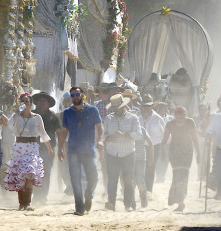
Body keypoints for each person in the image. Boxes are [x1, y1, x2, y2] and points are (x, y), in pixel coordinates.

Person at [58, 86, 104, 216]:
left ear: (82, 95)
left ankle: (89, 195)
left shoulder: (93, 110)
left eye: (77, 94)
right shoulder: (67, 112)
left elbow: (100, 127)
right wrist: (60, 148)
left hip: (89, 150)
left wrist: (100, 140)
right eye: (72, 95)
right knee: (75, 180)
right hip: (73, 150)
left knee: (93, 177)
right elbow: (64, 132)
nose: (75, 97)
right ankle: (79, 207)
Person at [4, 92, 53, 211]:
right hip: (19, 147)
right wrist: (16, 113)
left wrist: (49, 148)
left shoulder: (37, 117)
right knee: (20, 175)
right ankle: (21, 203)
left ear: (31, 104)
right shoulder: (16, 116)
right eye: (23, 101)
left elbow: (43, 133)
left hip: (32, 147)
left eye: (27, 101)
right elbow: (9, 125)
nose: (25, 104)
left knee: (30, 173)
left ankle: (28, 203)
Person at [103, 93, 141, 212]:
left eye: (119, 108)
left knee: (128, 179)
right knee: (112, 179)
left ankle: (128, 204)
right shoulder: (108, 118)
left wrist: (126, 135)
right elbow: (102, 135)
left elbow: (139, 135)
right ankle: (111, 203)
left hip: (128, 153)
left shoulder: (133, 118)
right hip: (112, 153)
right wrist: (107, 138)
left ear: (124, 106)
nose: (117, 110)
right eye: (115, 108)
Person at [160, 106, 200, 212]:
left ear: (185, 116)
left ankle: (180, 201)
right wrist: (162, 152)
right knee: (177, 175)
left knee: (184, 175)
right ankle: (179, 200)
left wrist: (198, 154)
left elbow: (195, 139)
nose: (180, 120)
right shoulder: (170, 124)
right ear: (175, 117)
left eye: (181, 118)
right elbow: (164, 140)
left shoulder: (190, 123)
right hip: (174, 153)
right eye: (177, 118)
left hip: (187, 152)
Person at [32, 91, 61, 204]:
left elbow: (59, 132)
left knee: (46, 172)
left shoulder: (53, 117)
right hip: (33, 149)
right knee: (33, 173)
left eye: (45, 101)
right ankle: (35, 196)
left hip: (48, 150)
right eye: (40, 101)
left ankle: (43, 196)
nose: (42, 103)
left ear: (48, 104)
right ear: (37, 103)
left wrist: (61, 148)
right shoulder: (31, 114)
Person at [137, 95, 166, 198]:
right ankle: (142, 190)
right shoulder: (136, 117)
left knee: (150, 168)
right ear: (141, 106)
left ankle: (148, 191)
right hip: (139, 146)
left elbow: (165, 135)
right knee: (140, 169)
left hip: (154, 147)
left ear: (152, 106)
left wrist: (163, 149)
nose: (146, 108)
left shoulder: (158, 118)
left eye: (148, 106)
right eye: (144, 106)